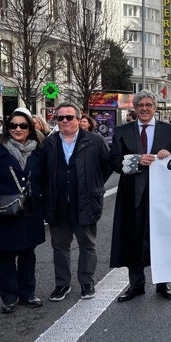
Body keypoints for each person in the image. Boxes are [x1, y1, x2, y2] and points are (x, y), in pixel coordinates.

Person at [109, 90, 171, 302]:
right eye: (140, 105)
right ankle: (136, 284)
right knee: (133, 239)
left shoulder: (170, 131)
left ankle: (163, 284)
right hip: (132, 195)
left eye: (149, 104)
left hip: (163, 196)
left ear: (155, 107)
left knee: (162, 239)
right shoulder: (122, 131)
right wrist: (136, 161)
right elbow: (114, 160)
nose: (145, 108)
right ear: (135, 108)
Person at [0, 108, 45, 314]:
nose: (18, 129)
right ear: (7, 128)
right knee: (5, 256)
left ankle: (27, 293)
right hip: (5, 211)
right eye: (13, 125)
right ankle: (8, 297)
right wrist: (3, 194)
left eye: (23, 125)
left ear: (30, 129)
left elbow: (44, 180)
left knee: (28, 254)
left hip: (30, 212)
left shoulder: (39, 152)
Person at [43, 103, 112, 302]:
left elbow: (105, 168)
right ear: (56, 120)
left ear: (78, 119)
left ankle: (87, 282)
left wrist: (93, 186)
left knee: (87, 245)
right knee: (60, 246)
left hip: (86, 202)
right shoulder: (50, 143)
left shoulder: (95, 141)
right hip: (58, 204)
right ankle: (62, 284)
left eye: (69, 117)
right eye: (60, 118)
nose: (65, 121)